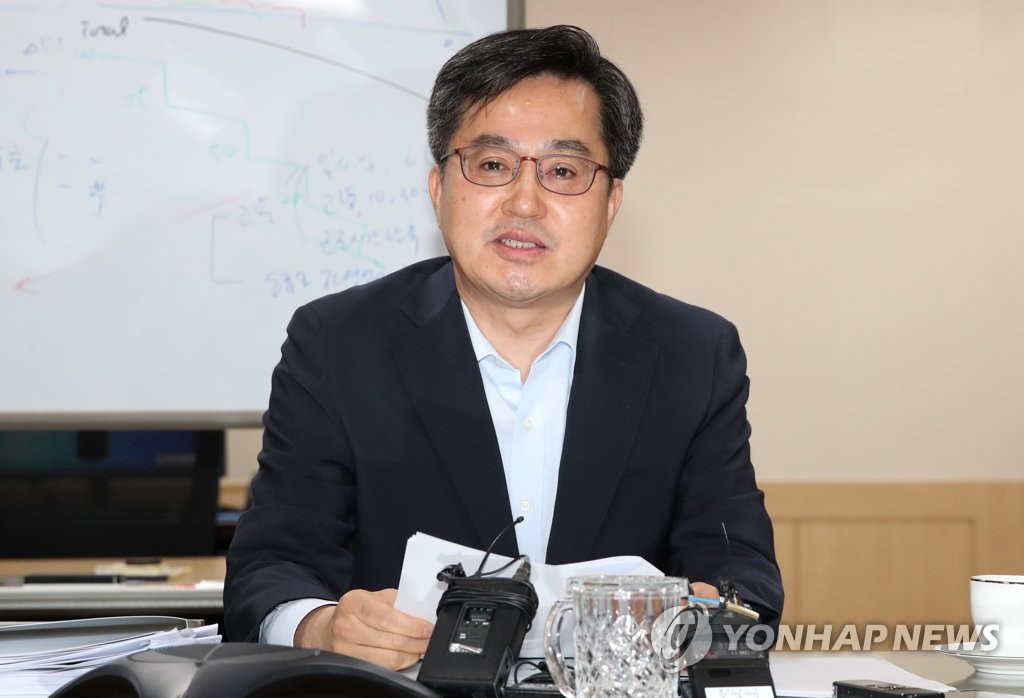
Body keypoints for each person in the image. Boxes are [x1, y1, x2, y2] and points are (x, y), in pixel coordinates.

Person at [224, 24, 783, 670]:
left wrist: (706, 617)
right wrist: (320, 627)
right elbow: (272, 566)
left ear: (611, 204)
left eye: (564, 171)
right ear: (439, 189)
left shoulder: (692, 354)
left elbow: (742, 575)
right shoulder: (338, 344)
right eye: (492, 165)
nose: (525, 203)